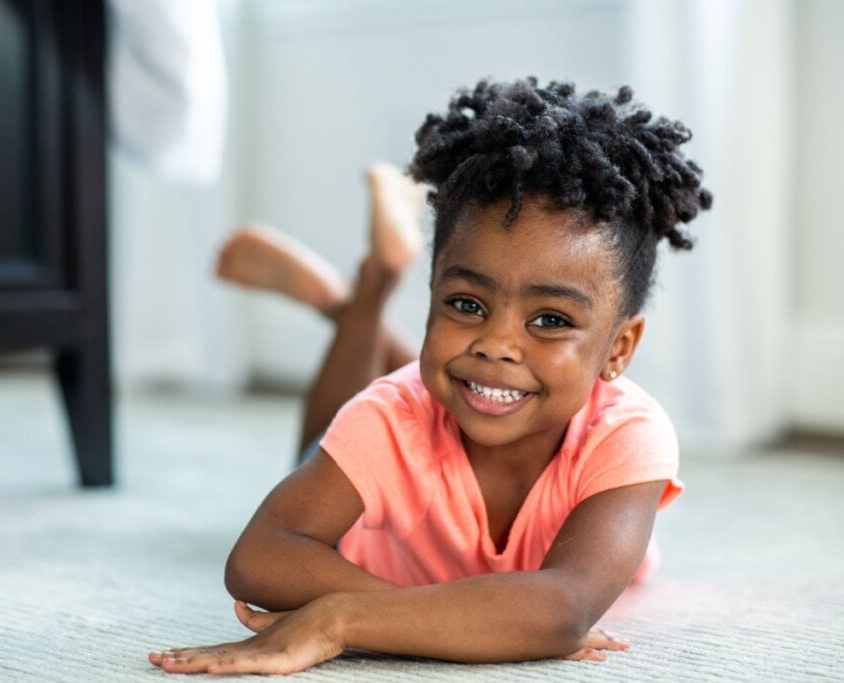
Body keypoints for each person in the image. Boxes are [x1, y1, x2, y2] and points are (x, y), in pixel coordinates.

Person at [149, 77, 713, 674]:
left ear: (618, 349)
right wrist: (459, 623)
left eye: (549, 320)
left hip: (435, 418)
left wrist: (339, 617)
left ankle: (354, 299)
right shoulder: (394, 414)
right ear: (432, 297)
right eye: (466, 304)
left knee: (454, 382)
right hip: (388, 455)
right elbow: (259, 558)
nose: (497, 344)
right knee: (330, 436)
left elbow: (562, 608)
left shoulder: (627, 433)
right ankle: (365, 293)